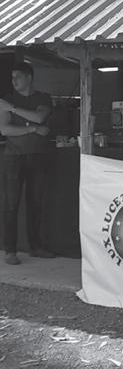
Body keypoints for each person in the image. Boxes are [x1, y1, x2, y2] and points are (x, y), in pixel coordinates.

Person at [0, 62, 54, 265]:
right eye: (12, 77)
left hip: (38, 155)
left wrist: (13, 109)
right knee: (11, 204)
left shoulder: (42, 98)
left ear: (29, 77)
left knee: (36, 203)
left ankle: (36, 246)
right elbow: (5, 129)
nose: (14, 81)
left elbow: (39, 116)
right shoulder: (6, 99)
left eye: (18, 77)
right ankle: (10, 250)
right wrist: (32, 129)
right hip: (13, 156)